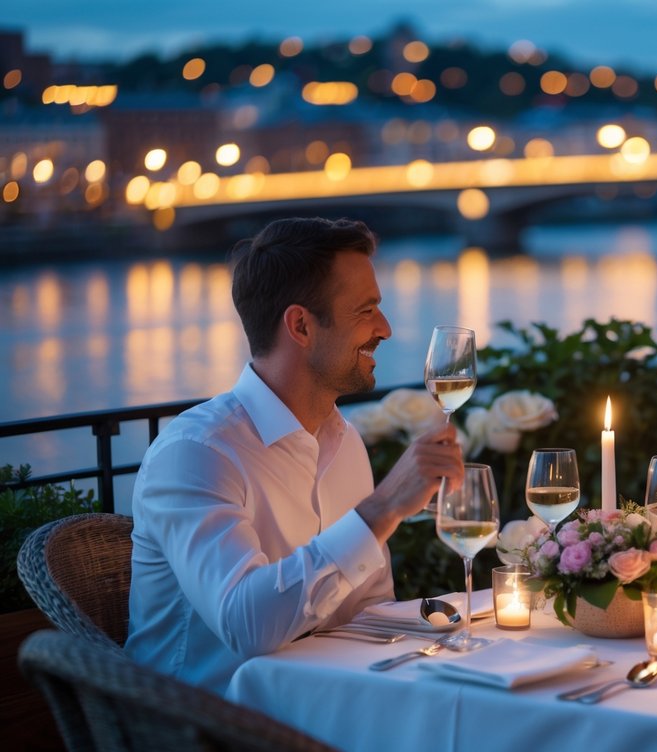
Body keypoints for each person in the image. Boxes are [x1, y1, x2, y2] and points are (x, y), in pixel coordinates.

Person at [125, 217, 464, 694]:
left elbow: (367, 611)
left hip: (325, 711)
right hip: (208, 737)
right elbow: (246, 625)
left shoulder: (343, 440)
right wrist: (383, 508)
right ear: (301, 325)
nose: (384, 329)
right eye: (366, 311)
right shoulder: (196, 454)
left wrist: (455, 626)